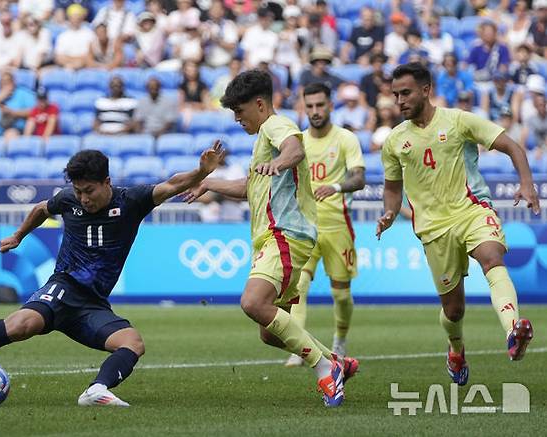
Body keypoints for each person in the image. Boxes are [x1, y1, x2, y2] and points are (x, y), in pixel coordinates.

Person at [0, 144, 225, 407]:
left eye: (89, 191)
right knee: (20, 325)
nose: (84, 198)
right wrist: (19, 235)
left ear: (107, 182)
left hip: (93, 304)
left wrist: (200, 172)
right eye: (79, 191)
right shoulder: (68, 200)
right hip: (63, 288)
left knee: (132, 342)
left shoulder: (131, 201)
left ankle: (96, 391)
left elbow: (170, 185)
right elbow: (42, 209)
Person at [182, 70, 358, 408]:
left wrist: (278, 162)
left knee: (252, 303)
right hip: (272, 239)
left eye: (240, 111)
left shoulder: (275, 127)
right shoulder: (262, 141)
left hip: (285, 235)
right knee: (269, 331)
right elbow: (251, 188)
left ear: (260, 104)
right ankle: (337, 362)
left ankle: (325, 368)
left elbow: (295, 149)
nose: (237, 119)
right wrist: (209, 183)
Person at [377, 62, 539, 386]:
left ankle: (512, 331)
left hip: (472, 209)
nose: (400, 101)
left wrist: (527, 183)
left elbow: (511, 145)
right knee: (453, 311)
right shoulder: (394, 141)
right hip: (434, 229)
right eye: (396, 95)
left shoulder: (457, 120)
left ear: (426, 90)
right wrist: (389, 213)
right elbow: (393, 188)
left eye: (406, 93)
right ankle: (455, 350)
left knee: (492, 257)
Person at [284, 83, 365, 368]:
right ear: (304, 108)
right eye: (310, 106)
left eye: (320, 105)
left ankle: (340, 340)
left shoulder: (346, 139)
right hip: (306, 226)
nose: (316, 111)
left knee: (341, 295)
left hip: (337, 225)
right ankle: (299, 346)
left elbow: (359, 178)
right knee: (299, 286)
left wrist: (335, 186)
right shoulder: (298, 142)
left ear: (330, 105)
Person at [0, 71, 36, 139]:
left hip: (13, 130)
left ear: (13, 82)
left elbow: (35, 111)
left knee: (10, 134)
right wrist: (1, 96)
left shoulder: (23, 93)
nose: (5, 84)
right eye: (2, 82)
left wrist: (13, 113)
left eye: (8, 81)